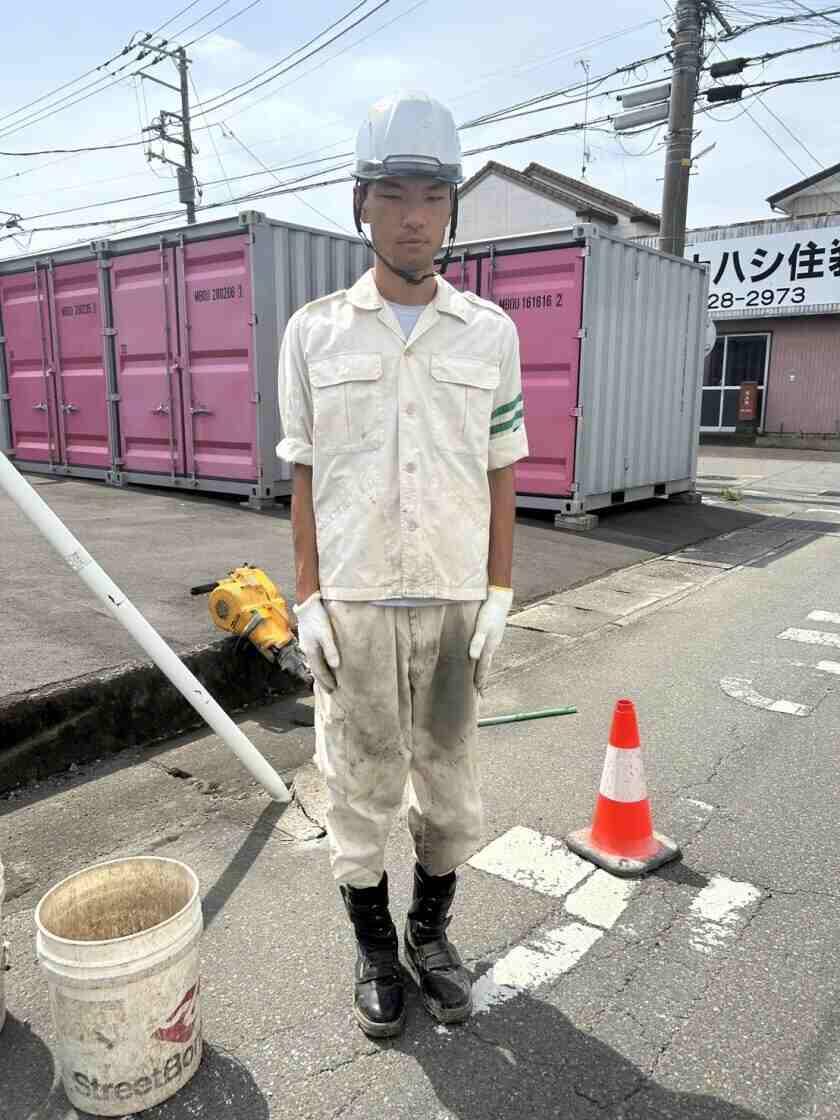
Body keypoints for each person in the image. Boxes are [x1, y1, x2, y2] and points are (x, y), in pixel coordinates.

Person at [277, 91, 528, 1038]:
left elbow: (504, 470)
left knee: (451, 784)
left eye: (433, 192)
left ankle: (431, 936)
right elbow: (300, 475)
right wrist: (306, 596)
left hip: (460, 602)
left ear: (452, 207)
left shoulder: (489, 333)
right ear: (361, 205)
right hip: (356, 604)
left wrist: (501, 588)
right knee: (358, 786)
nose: (415, 212)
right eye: (394, 192)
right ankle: (375, 948)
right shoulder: (315, 332)